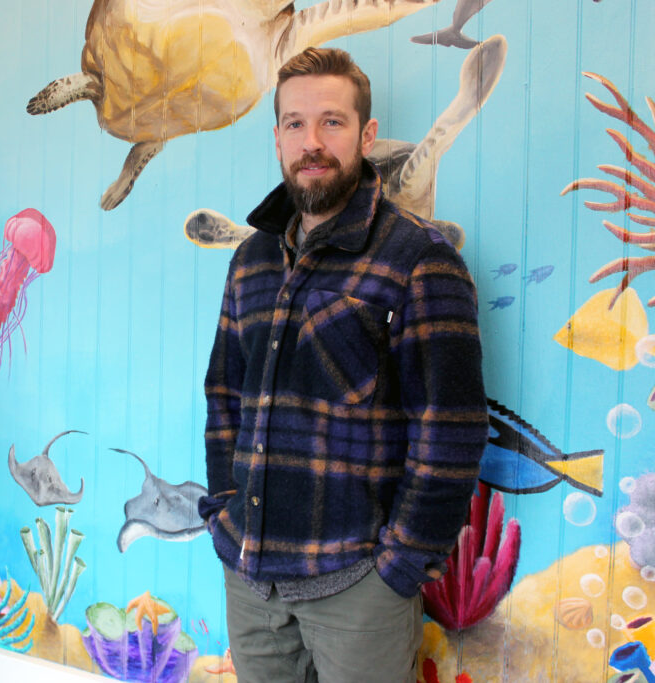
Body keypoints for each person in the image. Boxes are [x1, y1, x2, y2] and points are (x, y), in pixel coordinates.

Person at [199, 48, 489, 683]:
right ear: (277, 137)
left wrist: (400, 567)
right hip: (251, 582)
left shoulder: (419, 260)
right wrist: (225, 508)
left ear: (367, 134)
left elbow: (452, 432)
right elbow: (225, 397)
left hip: (358, 590)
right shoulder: (249, 261)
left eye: (332, 121)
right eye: (296, 124)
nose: (313, 142)